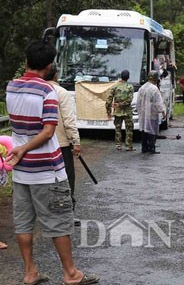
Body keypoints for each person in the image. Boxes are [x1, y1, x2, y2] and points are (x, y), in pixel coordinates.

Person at [6, 40, 99, 285]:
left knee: (24, 222)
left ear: (26, 62)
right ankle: (71, 274)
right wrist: (25, 148)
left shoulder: (11, 86)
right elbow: (48, 132)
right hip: (47, 169)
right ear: (49, 67)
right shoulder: (48, 91)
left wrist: (19, 150)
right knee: (59, 221)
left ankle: (30, 272)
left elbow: (19, 126)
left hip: (21, 170)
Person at [46, 64, 81, 221]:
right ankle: (67, 214)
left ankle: (46, 211)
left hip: (41, 145)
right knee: (66, 179)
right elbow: (68, 121)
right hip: (61, 145)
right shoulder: (61, 93)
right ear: (55, 75)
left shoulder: (38, 91)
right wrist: (76, 141)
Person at [105, 70, 135, 151]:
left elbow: (108, 100)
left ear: (121, 76)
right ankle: (128, 146)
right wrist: (121, 104)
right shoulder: (130, 87)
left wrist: (108, 111)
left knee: (118, 129)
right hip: (127, 111)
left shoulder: (115, 87)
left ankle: (118, 145)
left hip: (117, 112)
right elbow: (129, 100)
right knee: (129, 129)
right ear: (128, 77)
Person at [138, 70, 166, 154]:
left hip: (143, 112)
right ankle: (151, 148)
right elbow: (158, 102)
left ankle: (144, 147)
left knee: (144, 129)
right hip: (152, 112)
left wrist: (139, 110)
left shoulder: (142, 87)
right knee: (152, 129)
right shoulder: (154, 88)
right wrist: (163, 111)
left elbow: (138, 101)